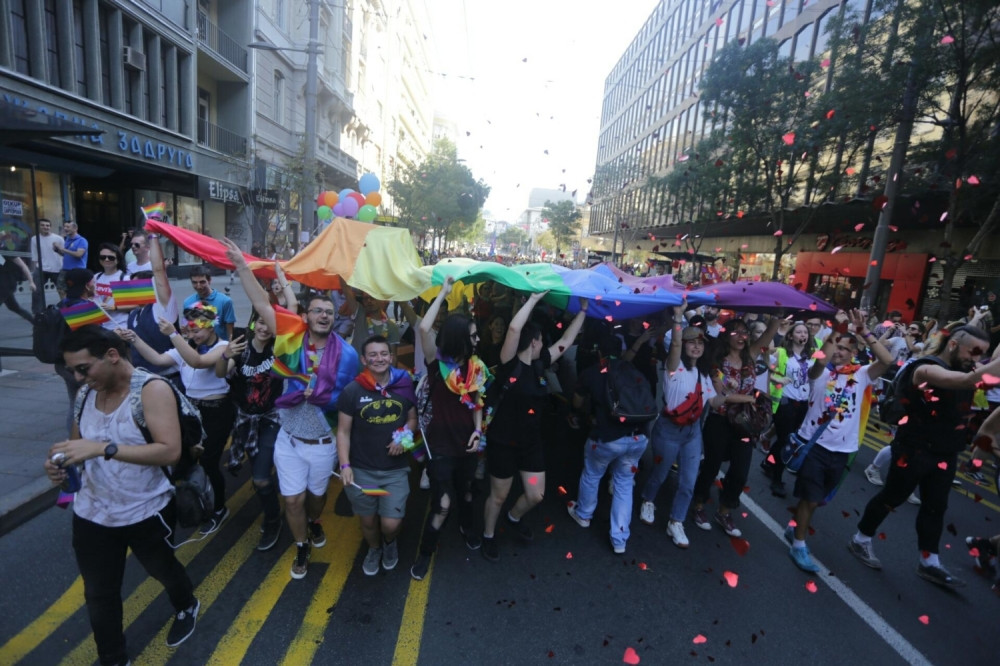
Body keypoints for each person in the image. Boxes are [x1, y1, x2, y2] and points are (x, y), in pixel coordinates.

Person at [43, 326, 199, 665]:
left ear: (112, 355)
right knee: (99, 594)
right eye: (72, 371)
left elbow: (169, 451)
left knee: (162, 568)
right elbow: (76, 450)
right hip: (92, 514)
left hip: (146, 510)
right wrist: (59, 468)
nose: (78, 378)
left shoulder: (151, 390)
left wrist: (102, 448)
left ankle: (186, 604)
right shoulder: (86, 395)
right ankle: (113, 658)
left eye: (83, 368)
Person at [223, 237, 359, 580]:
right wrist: (242, 265)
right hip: (288, 440)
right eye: (317, 310)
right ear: (306, 315)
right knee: (293, 501)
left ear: (334, 318)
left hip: (323, 445)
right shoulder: (290, 338)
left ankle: (315, 522)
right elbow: (261, 303)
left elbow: (351, 403)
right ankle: (301, 545)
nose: (324, 315)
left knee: (315, 501)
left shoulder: (349, 356)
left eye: (329, 312)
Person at [849, 324, 1000, 588]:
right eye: (974, 352)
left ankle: (929, 562)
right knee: (891, 497)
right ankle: (861, 539)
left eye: (983, 354)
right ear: (952, 344)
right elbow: (967, 381)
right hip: (914, 449)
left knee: (936, 507)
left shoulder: (968, 368)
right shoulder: (926, 368)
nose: (977, 359)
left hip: (945, 452)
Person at [782, 310, 893, 573]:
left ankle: (794, 526)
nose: (840, 352)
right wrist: (836, 329)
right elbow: (821, 359)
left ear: (854, 353)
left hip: (843, 450)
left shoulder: (864, 374)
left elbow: (887, 360)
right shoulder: (819, 371)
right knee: (810, 499)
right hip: (814, 446)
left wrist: (865, 331)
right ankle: (798, 545)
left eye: (846, 348)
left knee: (818, 499)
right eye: (837, 347)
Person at [480, 291, 587, 562]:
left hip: (530, 446)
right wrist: (533, 300)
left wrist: (583, 311)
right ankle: (489, 535)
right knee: (498, 496)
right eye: (540, 340)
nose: (544, 344)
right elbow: (515, 327)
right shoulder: (509, 364)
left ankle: (514, 518)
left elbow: (566, 341)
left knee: (535, 494)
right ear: (534, 341)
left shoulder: (540, 366)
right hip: (503, 442)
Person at [120, 303, 234, 535]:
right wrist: (134, 339)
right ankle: (196, 499)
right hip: (190, 411)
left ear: (211, 327)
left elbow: (198, 362)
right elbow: (158, 359)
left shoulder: (225, 347)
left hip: (217, 411)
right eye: (188, 331)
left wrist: (173, 334)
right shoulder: (187, 346)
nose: (192, 336)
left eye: (196, 331)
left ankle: (219, 508)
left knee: (210, 462)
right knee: (186, 460)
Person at [639, 305, 746, 548]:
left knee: (688, 481)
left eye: (700, 342)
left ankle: (676, 521)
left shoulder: (704, 374)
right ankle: (648, 500)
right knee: (661, 473)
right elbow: (674, 345)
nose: (696, 346)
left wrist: (733, 396)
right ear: (683, 346)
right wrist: (678, 317)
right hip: (668, 430)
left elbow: (713, 401)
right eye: (690, 342)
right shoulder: (672, 367)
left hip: (692, 432)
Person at [409, 277, 490, 581]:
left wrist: (478, 431)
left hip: (467, 443)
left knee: (467, 493)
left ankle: (467, 527)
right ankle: (425, 553)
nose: (478, 340)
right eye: (472, 335)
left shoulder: (476, 367)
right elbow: (423, 329)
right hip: (439, 445)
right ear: (458, 339)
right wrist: (442, 293)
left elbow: (478, 400)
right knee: (442, 504)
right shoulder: (436, 363)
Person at [214, 284, 291, 550]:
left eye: (268, 324)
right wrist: (225, 355)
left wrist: (282, 295)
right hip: (245, 419)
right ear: (254, 323)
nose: (263, 327)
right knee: (259, 471)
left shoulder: (279, 349)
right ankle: (273, 498)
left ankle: (273, 520)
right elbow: (220, 372)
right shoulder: (242, 347)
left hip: (271, 419)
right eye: (260, 322)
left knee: (260, 478)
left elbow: (289, 317)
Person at [690, 316, 780, 538]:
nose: (741, 336)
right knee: (711, 466)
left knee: (740, 472)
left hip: (744, 425)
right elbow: (723, 396)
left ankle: (725, 511)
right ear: (726, 335)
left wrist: (778, 315)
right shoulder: (716, 362)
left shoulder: (750, 357)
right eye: (735, 332)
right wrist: (750, 399)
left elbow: (769, 334)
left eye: (745, 332)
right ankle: (698, 504)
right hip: (719, 420)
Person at [337, 335, 417, 575]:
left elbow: (413, 419)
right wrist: (344, 465)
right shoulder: (352, 390)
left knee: (390, 523)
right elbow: (343, 432)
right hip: (362, 471)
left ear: (391, 357)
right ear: (364, 359)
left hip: (395, 472)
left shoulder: (403, 385)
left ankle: (389, 543)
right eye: (373, 355)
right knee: (369, 521)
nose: (379, 358)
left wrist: (404, 437)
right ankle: (374, 548)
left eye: (383, 354)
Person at [565, 329, 647, 555]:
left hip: (607, 438)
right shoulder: (632, 370)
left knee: (592, 473)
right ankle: (619, 538)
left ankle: (584, 514)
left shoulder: (593, 372)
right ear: (620, 351)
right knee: (623, 483)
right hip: (638, 437)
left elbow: (578, 402)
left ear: (598, 351)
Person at [761, 321, 816, 497]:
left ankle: (769, 462)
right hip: (785, 401)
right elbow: (765, 369)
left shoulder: (812, 356)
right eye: (799, 332)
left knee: (790, 439)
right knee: (787, 441)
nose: (803, 335)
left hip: (803, 403)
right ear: (791, 336)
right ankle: (777, 479)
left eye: (805, 333)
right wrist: (777, 379)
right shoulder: (781, 353)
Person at [183, 265, 235, 340]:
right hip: (197, 347)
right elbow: (187, 328)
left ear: (209, 280)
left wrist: (229, 347)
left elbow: (230, 330)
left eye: (202, 282)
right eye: (194, 282)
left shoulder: (225, 301)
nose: (199, 286)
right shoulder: (187, 302)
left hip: (219, 347)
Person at [94, 243, 132, 330]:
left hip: (119, 325)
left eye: (111, 257)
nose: (106, 259)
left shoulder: (125, 278)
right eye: (103, 257)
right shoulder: (96, 277)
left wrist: (113, 308)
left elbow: (138, 305)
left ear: (118, 260)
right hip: (100, 326)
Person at [29, 217, 62, 313]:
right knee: (36, 291)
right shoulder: (34, 239)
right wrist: (33, 270)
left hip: (57, 268)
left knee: (62, 291)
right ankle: (38, 313)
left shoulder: (58, 238)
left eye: (47, 225)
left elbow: (64, 253)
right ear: (39, 227)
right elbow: (34, 255)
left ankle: (67, 310)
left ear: (50, 227)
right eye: (43, 225)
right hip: (41, 268)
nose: (45, 227)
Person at [0, 252, 36, 323]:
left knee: (15, 308)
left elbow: (23, 266)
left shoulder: (6, 251)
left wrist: (31, 281)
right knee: (14, 307)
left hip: (7, 285)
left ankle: (40, 325)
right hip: (3, 285)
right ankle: (37, 324)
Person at [55, 221, 88, 298]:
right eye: (65, 227)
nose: (65, 229)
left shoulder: (82, 240)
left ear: (75, 228)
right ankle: (66, 306)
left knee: (77, 291)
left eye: (68, 227)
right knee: (61, 289)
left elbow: (79, 254)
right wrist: (57, 250)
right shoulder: (67, 240)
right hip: (65, 269)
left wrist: (63, 249)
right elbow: (65, 254)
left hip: (77, 270)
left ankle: (76, 307)